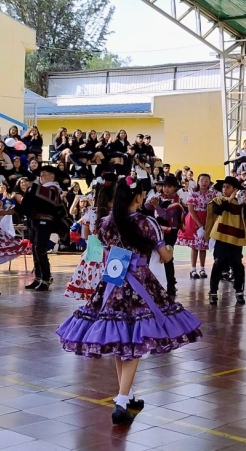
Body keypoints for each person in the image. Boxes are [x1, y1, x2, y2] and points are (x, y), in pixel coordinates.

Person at [55, 178, 202, 425]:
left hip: (112, 281)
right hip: (140, 282)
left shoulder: (105, 222)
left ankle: (129, 394)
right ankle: (122, 400)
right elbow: (165, 256)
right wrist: (168, 251)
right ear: (137, 197)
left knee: (119, 335)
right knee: (133, 339)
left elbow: (101, 248)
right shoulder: (148, 223)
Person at [18, 165, 68, 291]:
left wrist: (33, 188)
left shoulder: (53, 188)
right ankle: (38, 277)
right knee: (35, 249)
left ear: (52, 175)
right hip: (35, 221)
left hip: (45, 222)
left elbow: (50, 199)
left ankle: (46, 278)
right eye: (41, 174)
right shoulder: (40, 188)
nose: (42, 176)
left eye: (45, 173)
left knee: (40, 249)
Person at [205, 176, 246, 306]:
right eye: (224, 187)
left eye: (228, 187)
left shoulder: (240, 203)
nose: (225, 189)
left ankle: (239, 292)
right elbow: (218, 211)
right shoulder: (218, 201)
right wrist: (229, 201)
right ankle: (213, 292)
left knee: (237, 264)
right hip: (221, 237)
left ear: (235, 189)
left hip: (236, 237)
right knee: (218, 263)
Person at [147, 175, 185, 299]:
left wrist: (156, 205)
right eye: (164, 186)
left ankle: (170, 285)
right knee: (155, 258)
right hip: (158, 232)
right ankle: (155, 284)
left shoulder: (176, 202)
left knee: (167, 259)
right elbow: (147, 207)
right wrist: (151, 202)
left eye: (169, 186)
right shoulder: (160, 198)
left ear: (174, 188)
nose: (166, 189)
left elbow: (166, 216)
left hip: (170, 234)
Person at [177, 174, 214, 279]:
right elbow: (191, 209)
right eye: (202, 180)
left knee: (203, 246)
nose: (204, 182)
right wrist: (199, 224)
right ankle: (193, 269)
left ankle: (202, 269)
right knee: (195, 246)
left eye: (207, 180)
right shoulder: (193, 193)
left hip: (207, 219)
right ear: (198, 181)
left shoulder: (212, 194)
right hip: (195, 220)